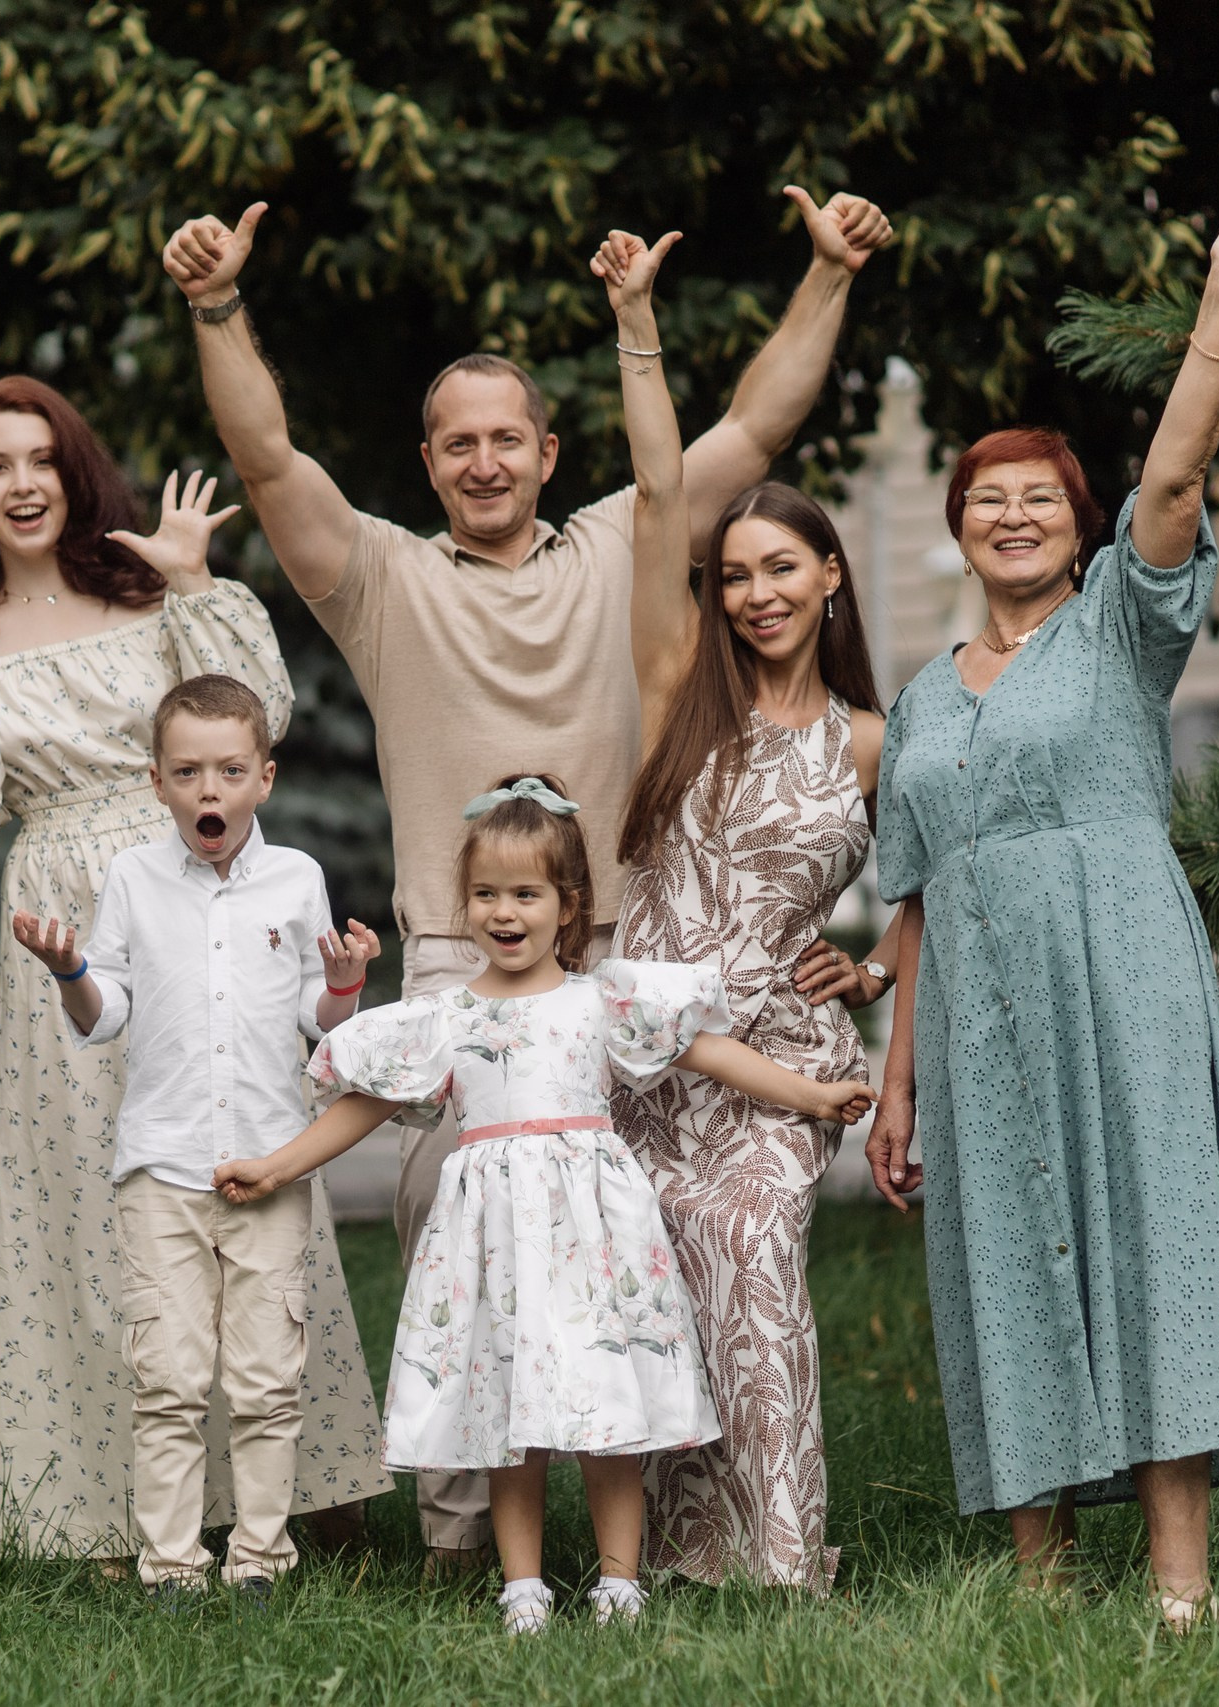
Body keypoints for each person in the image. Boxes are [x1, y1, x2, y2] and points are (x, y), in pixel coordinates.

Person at [162, 185, 894, 1566]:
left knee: (652, 1242)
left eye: (509, 438)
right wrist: (217, 303)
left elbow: (757, 429)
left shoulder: (625, 539)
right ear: (428, 461)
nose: (486, 461)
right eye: (459, 444)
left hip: (633, 952)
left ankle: (675, 1529)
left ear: (551, 451)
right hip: (465, 959)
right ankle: (465, 1532)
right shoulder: (378, 576)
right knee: (455, 1210)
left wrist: (828, 270)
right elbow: (265, 459)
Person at [0, 379, 389, 1563]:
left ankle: (295, 1496)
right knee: (98, 1213)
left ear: (74, 468)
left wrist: (192, 578)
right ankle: (101, 1509)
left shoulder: (152, 600)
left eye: (41, 458)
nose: (23, 483)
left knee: (250, 1177)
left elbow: (265, 716)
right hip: (64, 941)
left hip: (212, 921)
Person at [865, 203, 1219, 1632]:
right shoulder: (924, 698)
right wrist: (895, 1080)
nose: (1012, 513)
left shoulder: (1124, 617)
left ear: (1082, 521)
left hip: (1121, 971)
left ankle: (1183, 1592)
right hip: (975, 1009)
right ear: (957, 527)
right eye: (986, 496)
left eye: (1041, 496)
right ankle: (1040, 1586)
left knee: (1154, 1236)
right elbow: (913, 896)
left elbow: (1175, 473)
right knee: (1003, 1254)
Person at [215, 777, 874, 1631]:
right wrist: (276, 1165)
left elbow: (709, 1052)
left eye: (525, 893)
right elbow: (365, 1104)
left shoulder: (600, 1000)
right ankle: (522, 1585)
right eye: (486, 893)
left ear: (567, 906)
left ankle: (619, 1581)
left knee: (610, 1413)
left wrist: (811, 1096)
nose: (503, 911)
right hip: (493, 1244)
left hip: (593, 1237)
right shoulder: (447, 1017)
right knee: (508, 1414)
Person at [590, 228, 887, 1591]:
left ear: (831, 579)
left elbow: (941, 880)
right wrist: (635, 319)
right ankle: (647, 1551)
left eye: (786, 568)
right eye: (738, 574)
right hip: (642, 1054)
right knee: (642, 1278)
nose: (758, 592)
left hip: (780, 1070)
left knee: (752, 1257)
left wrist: (877, 968)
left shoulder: (877, 740)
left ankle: (776, 1555)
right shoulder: (675, 692)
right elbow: (660, 492)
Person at [7, 674, 382, 1604]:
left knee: (265, 1380)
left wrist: (343, 981)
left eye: (228, 770)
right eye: (187, 772)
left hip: (269, 1162)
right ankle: (171, 1563)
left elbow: (316, 1019)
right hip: (162, 1170)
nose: (208, 790)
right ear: (157, 781)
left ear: (265, 777)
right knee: (169, 1379)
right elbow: (106, 1015)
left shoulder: (297, 878)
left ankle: (260, 1555)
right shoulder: (133, 876)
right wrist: (69, 971)